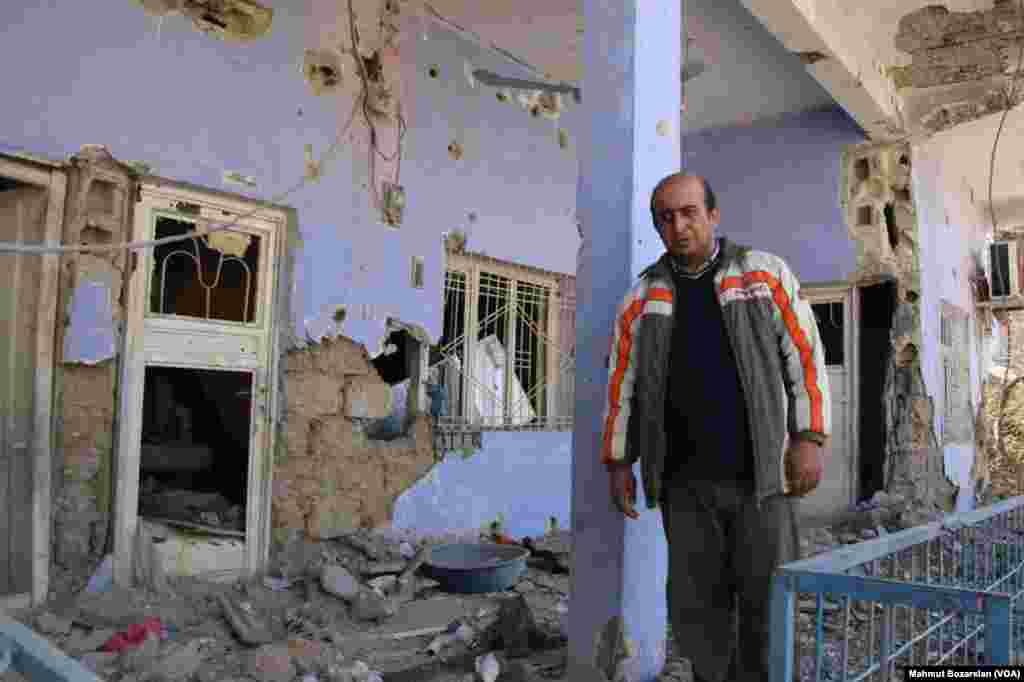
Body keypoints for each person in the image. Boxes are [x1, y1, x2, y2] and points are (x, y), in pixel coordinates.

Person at [601, 173, 831, 682]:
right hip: (685, 487)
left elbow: (805, 358)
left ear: (713, 214)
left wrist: (809, 437)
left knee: (768, 602)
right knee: (698, 608)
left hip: (762, 481)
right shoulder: (642, 297)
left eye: (689, 213)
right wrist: (619, 461)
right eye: (666, 218)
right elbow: (622, 385)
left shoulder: (762, 275)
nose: (678, 226)